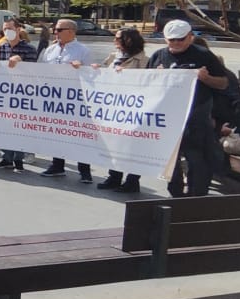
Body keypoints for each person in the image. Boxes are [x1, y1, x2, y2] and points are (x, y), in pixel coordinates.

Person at [148, 20, 233, 198]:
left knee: (198, 160)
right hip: (168, 119)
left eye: (180, 39)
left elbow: (223, 83)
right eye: (172, 40)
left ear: (190, 37)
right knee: (171, 161)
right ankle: (176, 193)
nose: (176, 43)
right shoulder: (158, 56)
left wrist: (206, 78)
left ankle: (197, 195)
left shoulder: (204, 55)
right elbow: (144, 85)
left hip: (197, 118)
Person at [37, 19, 95, 183]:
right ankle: (57, 165)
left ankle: (84, 170)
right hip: (53, 99)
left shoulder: (83, 51)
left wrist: (82, 68)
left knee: (79, 134)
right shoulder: (50, 50)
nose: (56, 32)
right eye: (55, 29)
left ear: (71, 31)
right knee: (56, 132)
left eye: (59, 29)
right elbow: (40, 70)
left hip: (75, 100)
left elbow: (93, 74)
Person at [98, 28, 150, 193]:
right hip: (114, 107)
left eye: (118, 38)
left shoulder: (144, 61)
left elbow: (148, 81)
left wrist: (126, 75)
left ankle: (132, 181)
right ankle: (114, 176)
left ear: (128, 40)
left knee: (134, 146)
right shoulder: (114, 57)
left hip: (134, 109)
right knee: (115, 144)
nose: (115, 40)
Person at [0, 18, 38, 171]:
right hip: (5, 93)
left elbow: (36, 72)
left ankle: (19, 159)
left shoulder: (29, 49)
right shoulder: (2, 47)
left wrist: (21, 61)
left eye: (10, 28)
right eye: (5, 29)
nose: (7, 31)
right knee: (5, 126)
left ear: (18, 30)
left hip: (23, 94)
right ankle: (7, 157)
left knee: (20, 126)